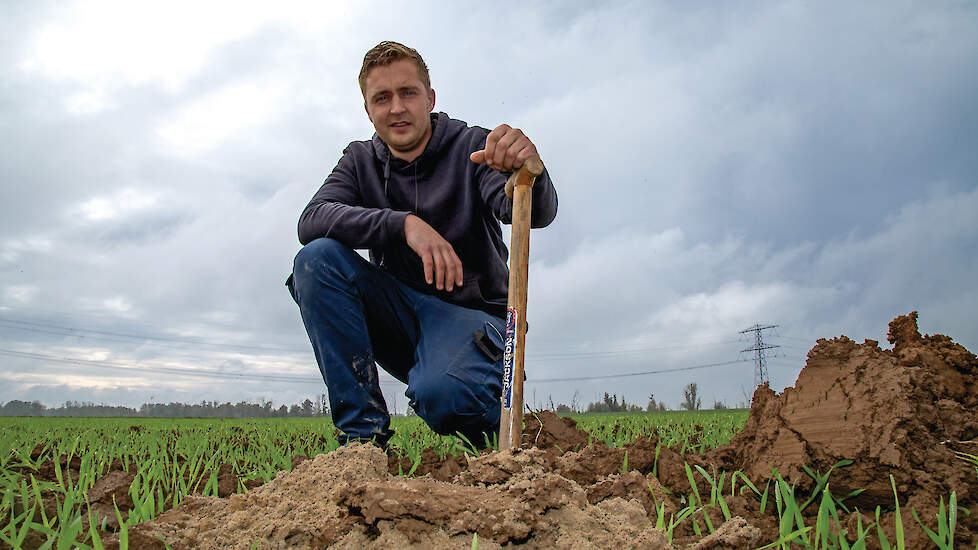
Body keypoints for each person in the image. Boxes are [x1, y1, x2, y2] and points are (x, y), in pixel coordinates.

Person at [287, 41, 557, 449]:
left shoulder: (474, 148)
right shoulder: (359, 162)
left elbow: (529, 211)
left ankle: (495, 415)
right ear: (368, 110)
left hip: (474, 322)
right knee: (316, 260)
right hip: (402, 318)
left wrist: (529, 170)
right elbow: (312, 220)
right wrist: (402, 225)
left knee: (444, 395)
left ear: (430, 98)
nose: (396, 108)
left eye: (408, 93)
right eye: (382, 98)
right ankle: (362, 443)